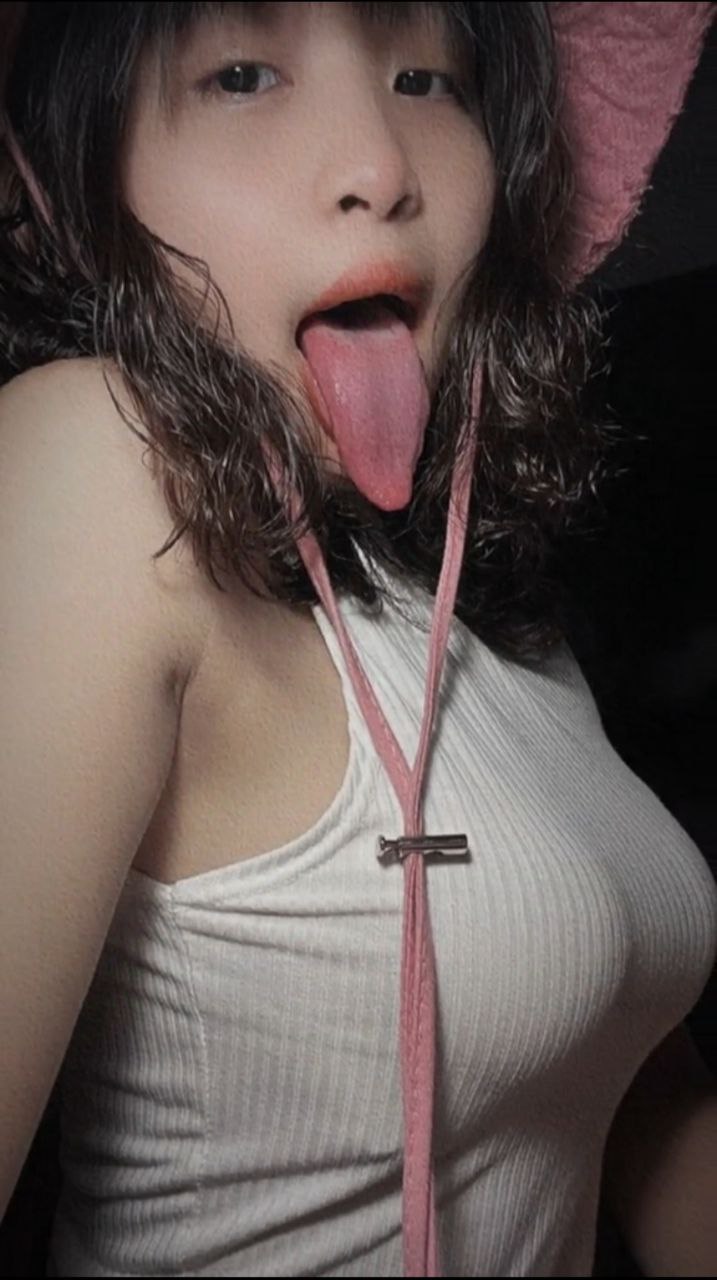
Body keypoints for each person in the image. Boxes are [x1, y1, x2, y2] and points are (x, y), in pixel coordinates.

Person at [0, 2, 715, 1276]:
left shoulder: (497, 617)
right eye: (240, 73)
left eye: (428, 80)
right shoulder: (88, 452)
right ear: (68, 175)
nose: (381, 168)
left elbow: (636, 1080)